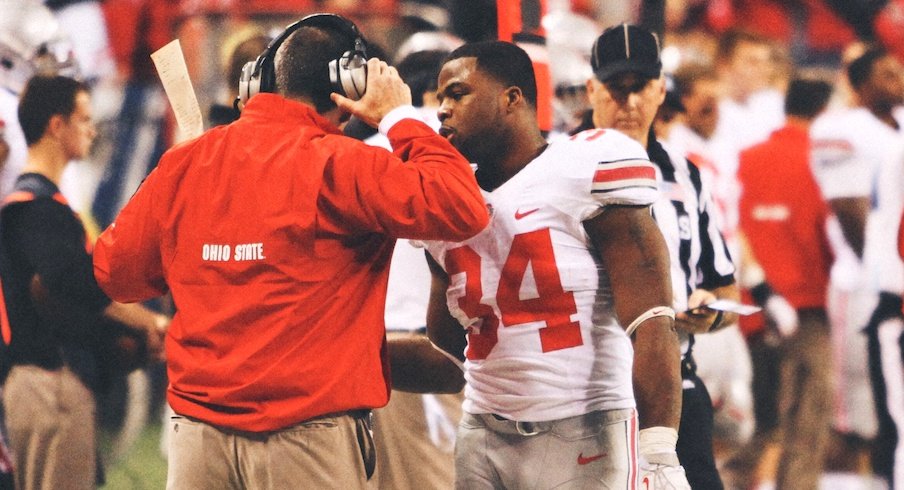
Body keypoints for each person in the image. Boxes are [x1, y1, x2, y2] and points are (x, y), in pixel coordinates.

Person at [92, 13, 488, 489]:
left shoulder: (186, 162)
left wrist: (200, 253)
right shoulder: (343, 164)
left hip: (196, 440)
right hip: (305, 441)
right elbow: (462, 207)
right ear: (350, 84)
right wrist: (400, 117)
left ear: (262, 80)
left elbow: (115, 272)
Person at [420, 39, 689, 489]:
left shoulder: (585, 165)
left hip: (584, 427)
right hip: (483, 429)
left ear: (512, 98)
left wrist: (659, 448)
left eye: (459, 93)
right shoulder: (444, 197)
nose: (443, 110)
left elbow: (653, 319)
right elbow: (448, 345)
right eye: (441, 97)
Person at [579, 24, 739, 489]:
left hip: (676, 382)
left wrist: (711, 314)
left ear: (660, 90)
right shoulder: (557, 163)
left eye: (640, 87)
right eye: (616, 88)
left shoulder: (685, 174)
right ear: (592, 89)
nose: (629, 102)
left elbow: (726, 285)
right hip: (592, 392)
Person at [0, 75, 166, 490]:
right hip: (51, 381)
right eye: (83, 119)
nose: (92, 129)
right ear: (57, 126)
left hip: (32, 382)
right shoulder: (40, 209)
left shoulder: (28, 205)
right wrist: (148, 324)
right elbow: (68, 286)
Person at [810, 46, 904, 488]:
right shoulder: (841, 128)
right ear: (860, 82)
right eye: (888, 73)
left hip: (894, 282)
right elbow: (849, 210)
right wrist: (883, 273)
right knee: (852, 408)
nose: (899, 80)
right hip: (861, 283)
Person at [737, 78, 835, 490]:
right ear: (825, 112)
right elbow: (834, 235)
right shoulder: (825, 160)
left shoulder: (745, 157)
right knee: (804, 426)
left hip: (748, 307)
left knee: (758, 426)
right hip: (808, 306)